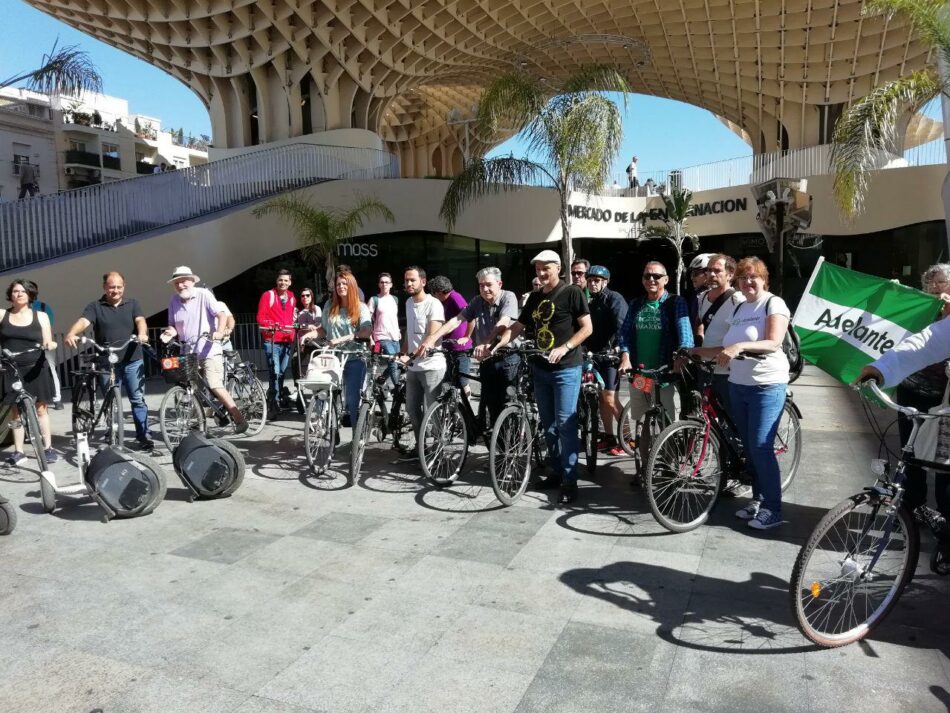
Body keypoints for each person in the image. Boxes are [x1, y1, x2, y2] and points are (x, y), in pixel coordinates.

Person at [492, 250, 592, 504]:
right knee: (548, 425)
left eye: (545, 268)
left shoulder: (572, 293)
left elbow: (587, 328)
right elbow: (518, 326)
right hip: (540, 368)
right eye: (537, 269)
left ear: (558, 268)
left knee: (565, 424)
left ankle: (570, 479)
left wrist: (565, 347)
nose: (541, 273)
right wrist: (498, 343)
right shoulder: (535, 297)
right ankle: (557, 472)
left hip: (566, 368)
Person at [859, 264, 950, 522]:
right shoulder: (923, 308)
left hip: (942, 398)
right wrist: (894, 295)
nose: (934, 288)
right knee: (909, 452)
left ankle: (945, 522)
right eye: (929, 283)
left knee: (943, 459)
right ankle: (911, 508)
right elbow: (920, 340)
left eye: (941, 282)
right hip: (911, 390)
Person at [716, 257, 791, 530]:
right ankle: (759, 500)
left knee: (760, 447)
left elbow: (774, 342)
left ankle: (774, 508)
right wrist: (694, 352)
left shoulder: (773, 303)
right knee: (749, 446)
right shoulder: (739, 309)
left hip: (767, 385)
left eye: (753, 277)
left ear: (764, 279)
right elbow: (726, 346)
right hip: (739, 384)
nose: (747, 282)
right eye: (742, 278)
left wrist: (738, 347)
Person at [617, 260, 693, 479]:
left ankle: (668, 465)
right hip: (641, 375)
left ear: (666, 280)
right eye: (647, 276)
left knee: (666, 421)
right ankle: (642, 469)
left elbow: (684, 330)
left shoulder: (674, 303)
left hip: (664, 375)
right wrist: (625, 355)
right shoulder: (636, 304)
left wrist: (682, 354)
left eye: (656, 276)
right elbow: (625, 333)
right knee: (642, 421)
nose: (651, 279)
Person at [419, 267, 519, 430]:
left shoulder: (509, 297)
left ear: (499, 284)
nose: (485, 289)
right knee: (491, 403)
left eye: (488, 284)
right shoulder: (477, 301)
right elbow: (456, 320)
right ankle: (498, 449)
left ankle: (512, 443)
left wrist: (486, 342)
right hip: (486, 358)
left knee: (507, 403)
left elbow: (504, 322)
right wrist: (431, 339)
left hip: (508, 356)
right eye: (481, 285)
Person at [64, 271, 154, 450]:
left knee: (137, 399)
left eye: (119, 287)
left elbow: (140, 320)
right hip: (106, 360)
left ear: (124, 287)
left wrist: (143, 334)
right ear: (104, 287)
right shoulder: (95, 306)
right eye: (112, 287)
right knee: (110, 399)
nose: (115, 290)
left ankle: (144, 435)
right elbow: (84, 321)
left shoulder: (133, 303)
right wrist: (72, 333)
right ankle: (112, 430)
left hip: (132, 359)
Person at [162, 266, 248, 434]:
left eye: (184, 281)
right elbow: (173, 325)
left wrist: (219, 332)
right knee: (191, 389)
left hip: (208, 349)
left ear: (192, 281)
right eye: (177, 283)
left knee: (214, 384)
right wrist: (169, 332)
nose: (180, 285)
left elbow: (221, 315)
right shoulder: (173, 301)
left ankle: (239, 419)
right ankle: (201, 424)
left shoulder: (204, 295)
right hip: (187, 352)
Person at [0, 279, 57, 464]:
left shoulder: (41, 316)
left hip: (36, 367)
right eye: (15, 291)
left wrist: (50, 344)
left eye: (23, 291)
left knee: (41, 407)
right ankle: (19, 451)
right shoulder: (2, 315)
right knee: (16, 411)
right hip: (11, 368)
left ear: (30, 294)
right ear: (10, 295)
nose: (19, 294)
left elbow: (48, 340)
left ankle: (48, 447)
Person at [317, 272, 372, 430]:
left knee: (352, 400)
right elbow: (323, 329)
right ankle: (331, 432)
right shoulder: (330, 305)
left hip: (354, 357)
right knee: (325, 394)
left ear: (352, 286)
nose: (341, 287)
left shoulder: (360, 307)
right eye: (338, 284)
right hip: (333, 358)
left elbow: (366, 330)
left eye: (344, 283)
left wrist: (342, 339)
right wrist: (309, 334)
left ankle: (356, 439)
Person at [585, 265, 628, 456]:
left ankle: (628, 439)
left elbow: (622, 326)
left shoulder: (614, 298)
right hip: (595, 356)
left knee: (610, 399)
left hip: (611, 357)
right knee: (603, 398)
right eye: (590, 280)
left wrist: (622, 351)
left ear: (605, 282)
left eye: (597, 280)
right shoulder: (591, 302)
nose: (592, 284)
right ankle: (609, 437)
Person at [404, 266, 446, 458]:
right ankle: (421, 448)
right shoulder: (407, 303)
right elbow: (409, 332)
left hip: (431, 365)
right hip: (413, 366)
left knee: (433, 412)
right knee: (412, 409)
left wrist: (410, 355)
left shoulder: (434, 304)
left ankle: (439, 450)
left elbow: (431, 337)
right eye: (406, 280)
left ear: (423, 281)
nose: (409, 284)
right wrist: (402, 352)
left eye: (412, 280)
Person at [256, 269, 296, 411]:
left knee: (282, 372)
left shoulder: (291, 297)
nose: (283, 283)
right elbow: (260, 317)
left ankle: (277, 399)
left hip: (286, 341)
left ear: (290, 283)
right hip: (272, 340)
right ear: (276, 281)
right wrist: (273, 326)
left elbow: (291, 318)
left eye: (286, 280)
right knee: (275, 371)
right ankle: (274, 401)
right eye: (280, 280)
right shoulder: (268, 295)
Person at [427, 276, 473, 391]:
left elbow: (471, 317)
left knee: (462, 383)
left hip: (460, 349)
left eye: (434, 293)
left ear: (440, 292)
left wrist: (467, 336)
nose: (434, 296)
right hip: (448, 348)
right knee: (448, 382)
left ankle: (466, 406)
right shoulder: (444, 301)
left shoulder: (455, 297)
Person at [27, 282, 62, 410]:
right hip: (27, 346)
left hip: (44, 344)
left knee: (51, 370)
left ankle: (57, 398)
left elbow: (49, 324)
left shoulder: (43, 307)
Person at [686, 253, 713, 339]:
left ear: (707, 273)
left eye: (696, 274)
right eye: (692, 274)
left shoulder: (713, 296)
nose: (692, 278)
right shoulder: (697, 294)